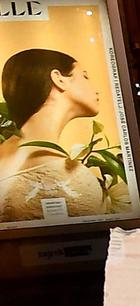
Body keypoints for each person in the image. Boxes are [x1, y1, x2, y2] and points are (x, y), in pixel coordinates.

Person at [0, 49, 126, 222]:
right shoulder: (69, 175)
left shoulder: (8, 154)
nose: (97, 90)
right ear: (59, 79)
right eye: (85, 76)